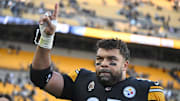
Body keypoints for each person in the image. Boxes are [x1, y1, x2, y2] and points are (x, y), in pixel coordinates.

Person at [30, 4, 165, 101]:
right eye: (99, 60)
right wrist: (47, 38)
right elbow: (41, 77)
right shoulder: (82, 80)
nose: (104, 64)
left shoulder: (147, 91)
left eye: (112, 60)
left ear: (125, 65)